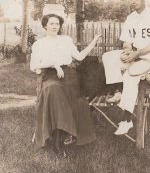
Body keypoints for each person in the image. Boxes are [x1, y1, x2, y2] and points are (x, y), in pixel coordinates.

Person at [30, 13, 101, 155]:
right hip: (50, 75)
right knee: (53, 89)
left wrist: (94, 41)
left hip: (68, 75)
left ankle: (63, 136)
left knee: (73, 97)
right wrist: (54, 65)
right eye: (51, 23)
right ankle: (58, 139)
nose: (55, 26)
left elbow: (79, 57)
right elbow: (33, 66)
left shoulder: (66, 40)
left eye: (57, 24)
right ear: (45, 26)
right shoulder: (39, 44)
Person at [102, 0, 150, 135]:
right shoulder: (130, 18)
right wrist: (127, 51)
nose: (133, 1)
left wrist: (137, 54)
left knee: (131, 75)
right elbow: (126, 40)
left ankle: (126, 120)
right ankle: (118, 91)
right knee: (109, 57)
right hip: (136, 54)